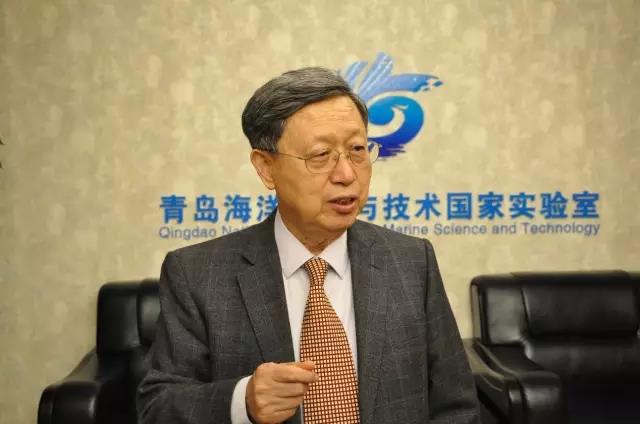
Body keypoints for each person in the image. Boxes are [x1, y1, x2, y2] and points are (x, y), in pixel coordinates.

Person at [137, 67, 480, 424]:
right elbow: (156, 407)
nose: (347, 174)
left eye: (357, 150)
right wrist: (243, 401)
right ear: (266, 167)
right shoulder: (198, 274)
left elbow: (457, 406)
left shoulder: (411, 261)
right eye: (320, 155)